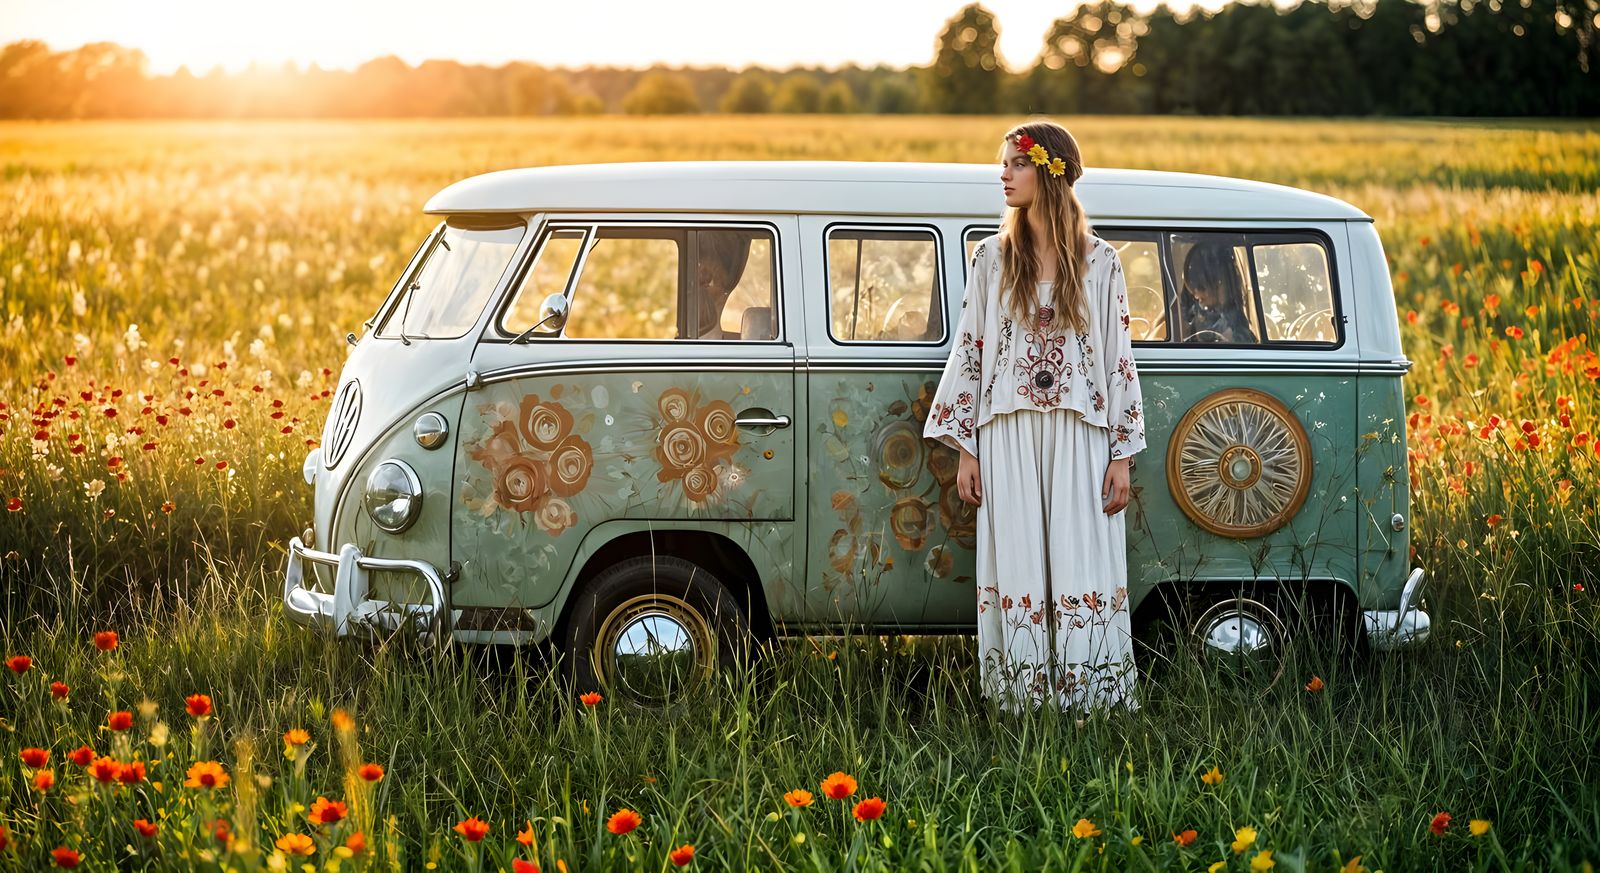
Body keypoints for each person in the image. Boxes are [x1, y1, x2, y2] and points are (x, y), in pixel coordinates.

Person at [922, 121, 1145, 716]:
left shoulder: (1101, 262)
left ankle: (1090, 698)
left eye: (1016, 164)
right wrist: (967, 448)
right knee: (1017, 558)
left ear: (1049, 173)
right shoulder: (991, 259)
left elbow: (1118, 359)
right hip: (1007, 431)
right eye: (1003, 163)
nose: (1003, 174)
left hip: (1080, 432)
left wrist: (1122, 455)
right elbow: (970, 350)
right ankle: (1022, 701)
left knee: (1081, 556)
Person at [1178, 241, 1257, 343]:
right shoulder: (1196, 312)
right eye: (1193, 291)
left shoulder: (1236, 319)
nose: (1197, 296)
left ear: (1220, 282)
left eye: (1201, 287)